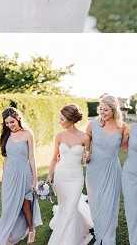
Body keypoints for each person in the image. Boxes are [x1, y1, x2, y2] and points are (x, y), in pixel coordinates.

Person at [47, 104, 92, 245]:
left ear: (70, 119)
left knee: (71, 207)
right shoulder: (59, 136)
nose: (59, 121)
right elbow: (55, 157)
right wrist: (50, 175)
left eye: (61, 119)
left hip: (76, 178)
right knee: (65, 207)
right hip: (61, 176)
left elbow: (87, 158)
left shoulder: (85, 138)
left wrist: (87, 158)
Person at [85, 94, 128, 245]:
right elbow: (86, 141)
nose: (102, 113)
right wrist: (87, 152)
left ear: (114, 110)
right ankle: (99, 231)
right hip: (94, 170)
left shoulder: (122, 127)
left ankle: (108, 237)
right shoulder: (92, 124)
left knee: (110, 203)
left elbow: (125, 148)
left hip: (112, 170)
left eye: (106, 110)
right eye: (101, 109)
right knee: (96, 202)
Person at [0, 107, 41, 245]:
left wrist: (35, 178)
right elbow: (6, 158)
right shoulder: (6, 135)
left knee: (25, 205)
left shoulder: (28, 134)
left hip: (24, 174)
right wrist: (3, 176)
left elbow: (32, 158)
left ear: (18, 119)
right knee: (8, 206)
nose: (10, 125)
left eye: (12, 122)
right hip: (10, 176)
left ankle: (31, 230)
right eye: (7, 123)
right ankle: (8, 232)